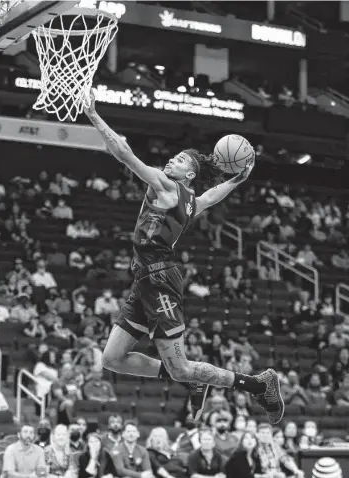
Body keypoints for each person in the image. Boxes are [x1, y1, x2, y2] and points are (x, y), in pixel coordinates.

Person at [85, 91, 284, 425]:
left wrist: (92, 113)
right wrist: (237, 179)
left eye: (179, 160)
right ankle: (191, 379)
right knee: (112, 358)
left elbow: (123, 153)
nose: (171, 161)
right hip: (146, 280)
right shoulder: (192, 200)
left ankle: (257, 384)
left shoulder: (165, 186)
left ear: (188, 174)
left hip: (160, 280)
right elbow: (211, 196)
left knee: (182, 367)